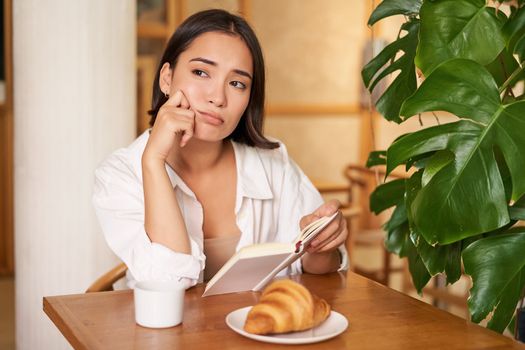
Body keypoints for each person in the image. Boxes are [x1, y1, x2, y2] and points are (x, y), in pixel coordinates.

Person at [93, 9, 348, 289]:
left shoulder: (274, 163)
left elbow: (318, 272)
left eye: (237, 83)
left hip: (255, 330)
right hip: (158, 332)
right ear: (166, 78)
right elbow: (167, 284)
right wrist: (153, 161)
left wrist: (322, 246)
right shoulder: (119, 174)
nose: (217, 97)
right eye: (201, 72)